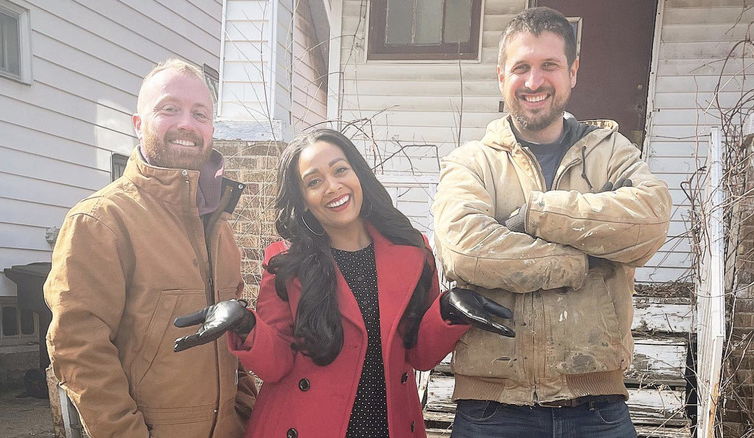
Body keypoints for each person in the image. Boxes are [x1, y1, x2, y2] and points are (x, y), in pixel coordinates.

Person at [172, 128, 515, 438]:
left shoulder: (413, 252)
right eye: (314, 181)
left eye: (339, 170)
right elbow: (275, 365)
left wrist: (447, 312)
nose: (333, 187)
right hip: (304, 425)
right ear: (303, 199)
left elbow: (419, 354)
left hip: (388, 426)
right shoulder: (286, 261)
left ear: (358, 174)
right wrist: (246, 324)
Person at [431, 7, 672, 438]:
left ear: (573, 71)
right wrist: (578, 262)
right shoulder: (472, 163)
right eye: (521, 67)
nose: (534, 81)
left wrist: (538, 214)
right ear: (501, 75)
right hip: (493, 409)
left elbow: (649, 224)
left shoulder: (610, 152)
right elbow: (464, 248)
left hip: (596, 410)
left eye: (549, 65)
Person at [44, 58, 257, 438]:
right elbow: (78, 348)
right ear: (138, 124)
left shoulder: (218, 225)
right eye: (169, 109)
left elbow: (233, 341)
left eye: (200, 113)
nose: (187, 124)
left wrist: (246, 412)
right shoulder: (100, 221)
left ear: (211, 128)